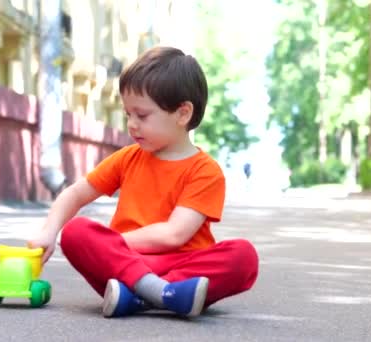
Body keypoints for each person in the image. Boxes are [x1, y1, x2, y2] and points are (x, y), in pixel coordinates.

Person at [28, 46, 259, 318]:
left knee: (243, 257)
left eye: (142, 115)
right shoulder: (128, 158)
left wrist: (113, 243)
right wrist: (49, 230)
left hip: (182, 263)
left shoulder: (205, 171)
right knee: (76, 232)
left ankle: (140, 298)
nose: (132, 125)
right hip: (127, 264)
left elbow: (175, 234)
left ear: (183, 113)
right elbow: (75, 194)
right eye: (128, 115)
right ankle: (164, 294)